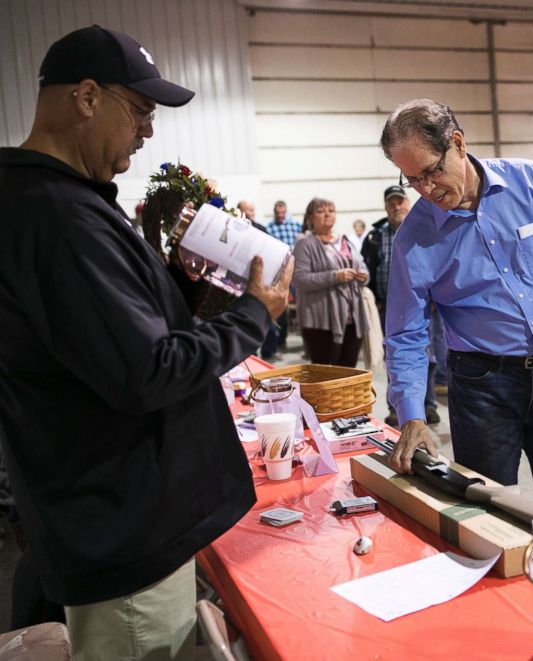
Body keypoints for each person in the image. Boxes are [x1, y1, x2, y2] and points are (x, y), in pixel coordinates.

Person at [0, 25, 293, 659]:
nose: (148, 131)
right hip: (122, 535)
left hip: (115, 517)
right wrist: (252, 313)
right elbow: (146, 371)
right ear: (85, 97)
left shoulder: (59, 202)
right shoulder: (58, 217)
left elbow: (103, 339)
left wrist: (178, 292)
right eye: (140, 111)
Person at [379, 98, 533, 503]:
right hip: (482, 389)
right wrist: (411, 415)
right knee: (489, 511)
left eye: (431, 172)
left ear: (458, 144)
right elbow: (405, 334)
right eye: (413, 180)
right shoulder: (414, 238)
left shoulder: (528, 180)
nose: (426, 190)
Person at [361, 185, 441, 425]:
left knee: (428, 357)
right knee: (395, 358)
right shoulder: (375, 237)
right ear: (386, 207)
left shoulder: (423, 229)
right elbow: (368, 270)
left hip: (425, 306)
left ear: (408, 202)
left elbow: (438, 262)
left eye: (400, 201)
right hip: (389, 307)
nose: (397, 206)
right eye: (392, 203)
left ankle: (428, 404)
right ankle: (397, 408)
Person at [292, 197, 369, 366]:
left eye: (331, 210)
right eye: (320, 211)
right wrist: (335, 276)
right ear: (310, 218)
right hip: (321, 321)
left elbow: (362, 265)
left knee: (348, 374)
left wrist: (363, 275)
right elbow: (299, 279)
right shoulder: (304, 243)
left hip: (352, 318)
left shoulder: (345, 240)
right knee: (326, 377)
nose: (327, 214)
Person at [262, 199, 303, 359]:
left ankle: (291, 339)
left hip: (295, 271)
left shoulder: (296, 226)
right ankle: (278, 341)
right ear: (274, 212)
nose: (280, 215)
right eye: (277, 213)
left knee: (300, 305)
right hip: (278, 273)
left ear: (286, 212)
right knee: (280, 305)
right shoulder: (270, 227)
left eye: (282, 213)